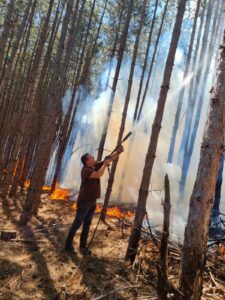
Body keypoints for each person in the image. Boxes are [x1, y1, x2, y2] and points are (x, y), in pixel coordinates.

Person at [64, 146, 124, 255]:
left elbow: (108, 160)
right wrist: (105, 165)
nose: (93, 157)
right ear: (87, 161)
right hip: (84, 202)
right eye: (91, 157)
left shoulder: (94, 166)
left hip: (92, 201)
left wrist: (118, 152)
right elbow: (99, 174)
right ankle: (67, 246)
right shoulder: (86, 170)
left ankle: (83, 247)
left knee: (87, 224)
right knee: (77, 224)